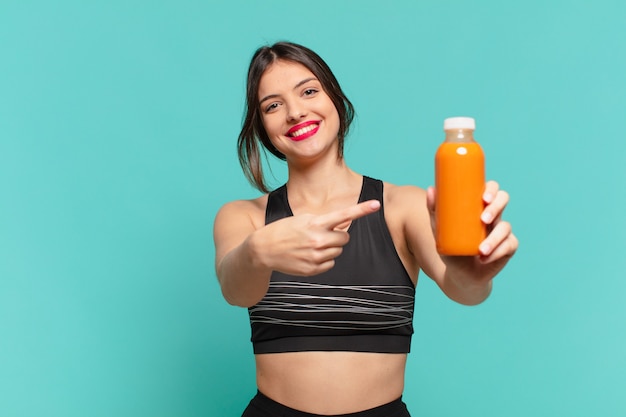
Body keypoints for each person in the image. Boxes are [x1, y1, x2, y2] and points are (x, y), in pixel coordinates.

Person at [213, 41, 518, 417]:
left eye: (309, 91)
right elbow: (235, 288)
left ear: (335, 100)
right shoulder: (242, 216)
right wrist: (257, 252)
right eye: (272, 105)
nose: (294, 112)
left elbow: (465, 289)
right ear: (262, 127)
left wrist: (475, 273)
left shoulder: (404, 206)